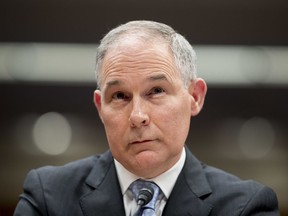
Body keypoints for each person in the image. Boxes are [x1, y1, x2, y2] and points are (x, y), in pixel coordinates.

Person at [14, 20, 279, 216]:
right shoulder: (47, 197)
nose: (137, 116)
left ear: (194, 97)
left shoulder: (246, 206)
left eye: (156, 91)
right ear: (99, 107)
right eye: (119, 96)